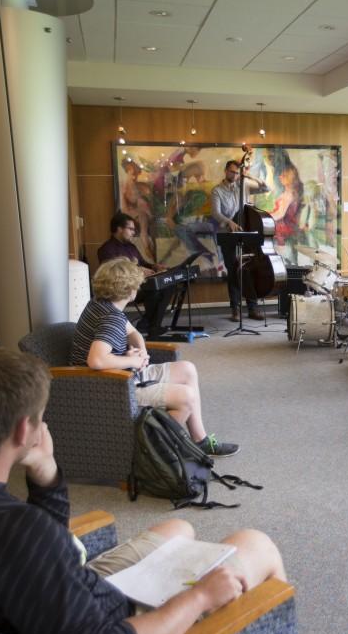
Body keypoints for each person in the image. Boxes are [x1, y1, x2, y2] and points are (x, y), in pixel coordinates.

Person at [0, 348, 286, 634]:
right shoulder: (16, 530)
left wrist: (45, 473)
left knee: (180, 528)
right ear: (21, 431)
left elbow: (37, 556)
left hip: (65, 602)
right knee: (257, 544)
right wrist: (198, 599)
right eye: (41, 418)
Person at [71, 257, 238, 457]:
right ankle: (155, 453)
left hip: (118, 376)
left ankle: (200, 441)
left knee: (187, 369)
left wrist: (141, 352)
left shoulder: (102, 305)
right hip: (111, 387)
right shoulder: (111, 319)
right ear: (130, 289)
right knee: (186, 397)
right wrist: (132, 360)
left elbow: (133, 333)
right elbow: (96, 360)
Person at [211, 159, 270, 322]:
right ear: (225, 171)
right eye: (232, 172)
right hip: (228, 236)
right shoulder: (217, 191)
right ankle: (235, 310)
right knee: (234, 272)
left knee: (248, 270)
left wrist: (248, 175)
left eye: (237, 173)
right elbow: (215, 213)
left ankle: (252, 307)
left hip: (245, 235)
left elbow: (265, 188)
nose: (234, 175)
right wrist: (229, 222)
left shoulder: (243, 185)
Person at [97, 211, 171, 337]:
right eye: (130, 229)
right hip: (124, 289)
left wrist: (154, 266)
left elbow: (142, 263)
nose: (133, 232)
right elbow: (113, 274)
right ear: (119, 229)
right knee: (155, 290)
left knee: (168, 285)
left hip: (141, 286)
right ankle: (150, 325)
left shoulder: (131, 247)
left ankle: (149, 324)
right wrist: (138, 271)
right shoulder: (106, 249)